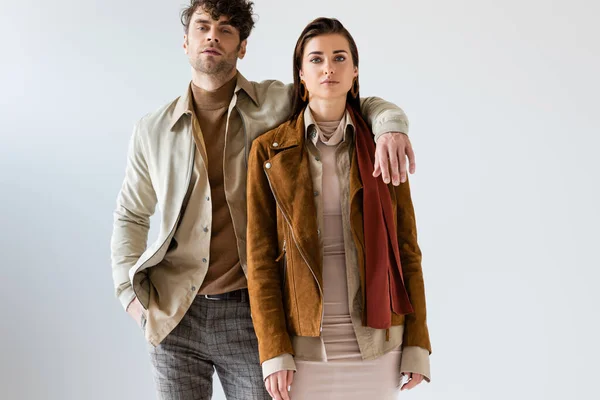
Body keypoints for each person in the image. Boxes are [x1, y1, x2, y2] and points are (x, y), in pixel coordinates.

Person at [110, 1, 416, 398]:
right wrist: (130, 297)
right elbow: (131, 216)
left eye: (226, 30)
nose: (212, 37)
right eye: (202, 27)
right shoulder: (152, 130)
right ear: (184, 42)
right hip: (174, 313)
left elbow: (339, 94)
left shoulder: (277, 103)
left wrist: (391, 126)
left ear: (242, 48)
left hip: (250, 310)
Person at [246, 17, 431, 400]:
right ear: (301, 74)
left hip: (378, 343)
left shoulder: (384, 148)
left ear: (355, 70)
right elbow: (260, 260)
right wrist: (274, 350)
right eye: (316, 59)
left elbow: (407, 250)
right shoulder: (269, 152)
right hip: (305, 346)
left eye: (339, 57)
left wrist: (417, 343)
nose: (328, 67)